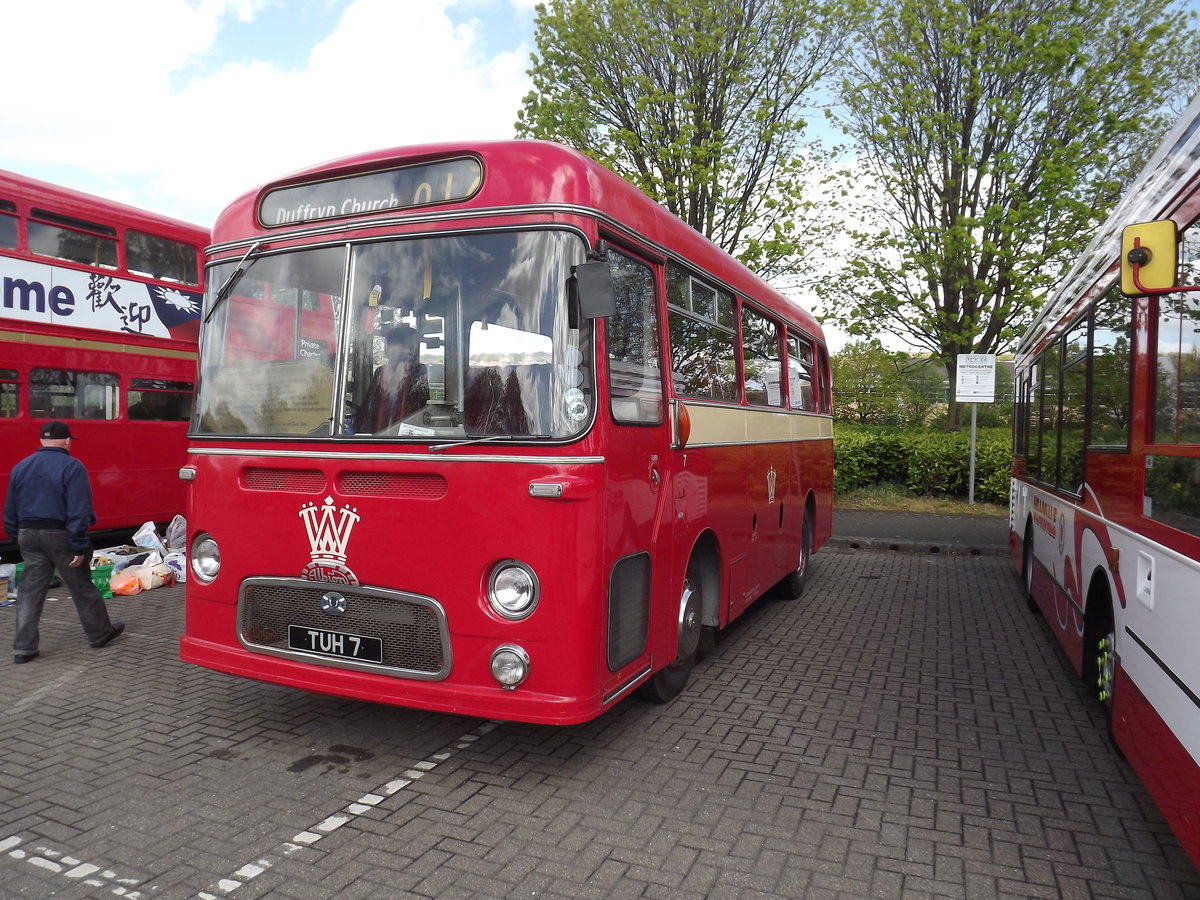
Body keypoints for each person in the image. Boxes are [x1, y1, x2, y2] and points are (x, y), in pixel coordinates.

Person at [2, 421, 124, 663]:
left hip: (28, 534)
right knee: (81, 587)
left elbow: (9, 509)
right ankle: (99, 633)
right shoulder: (72, 466)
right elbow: (79, 510)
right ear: (67, 441)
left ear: (41, 441)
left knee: (29, 592)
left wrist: (17, 535)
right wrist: (78, 545)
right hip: (60, 535)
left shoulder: (20, 467)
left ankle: (23, 648)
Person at [354, 324, 429, 432]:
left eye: (393, 344)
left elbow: (420, 408)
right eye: (387, 344)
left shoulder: (418, 371)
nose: (387, 349)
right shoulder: (380, 372)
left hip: (406, 436)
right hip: (377, 435)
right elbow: (367, 409)